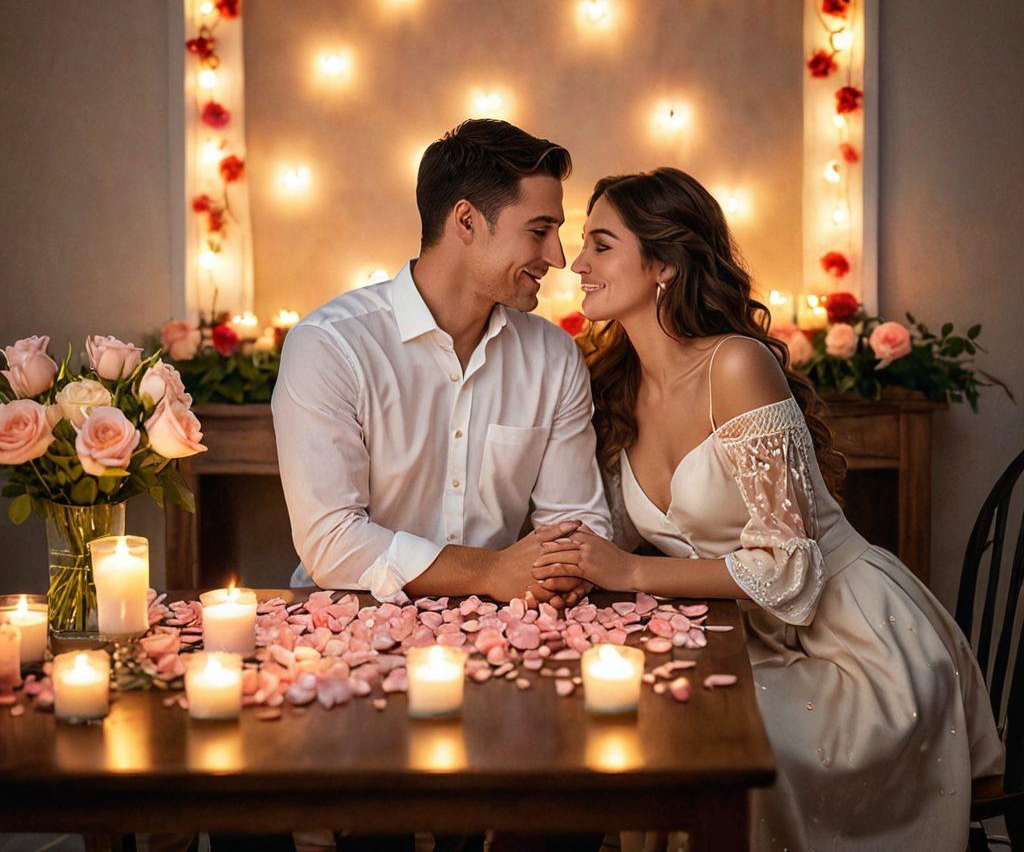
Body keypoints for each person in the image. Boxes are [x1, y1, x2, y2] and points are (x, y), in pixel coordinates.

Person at [531, 167, 1004, 852]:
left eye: (601, 245)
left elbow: (788, 568)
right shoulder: (613, 385)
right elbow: (604, 527)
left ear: (663, 263)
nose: (577, 263)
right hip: (742, 635)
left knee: (712, 745)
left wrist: (627, 573)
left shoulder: (736, 366)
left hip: (848, 640)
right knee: (639, 719)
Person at [272, 117, 612, 608]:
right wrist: (492, 570)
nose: (557, 257)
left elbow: (579, 523)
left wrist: (553, 571)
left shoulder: (553, 356)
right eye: (539, 231)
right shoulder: (330, 345)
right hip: (352, 627)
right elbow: (332, 543)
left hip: (509, 627)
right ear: (467, 221)